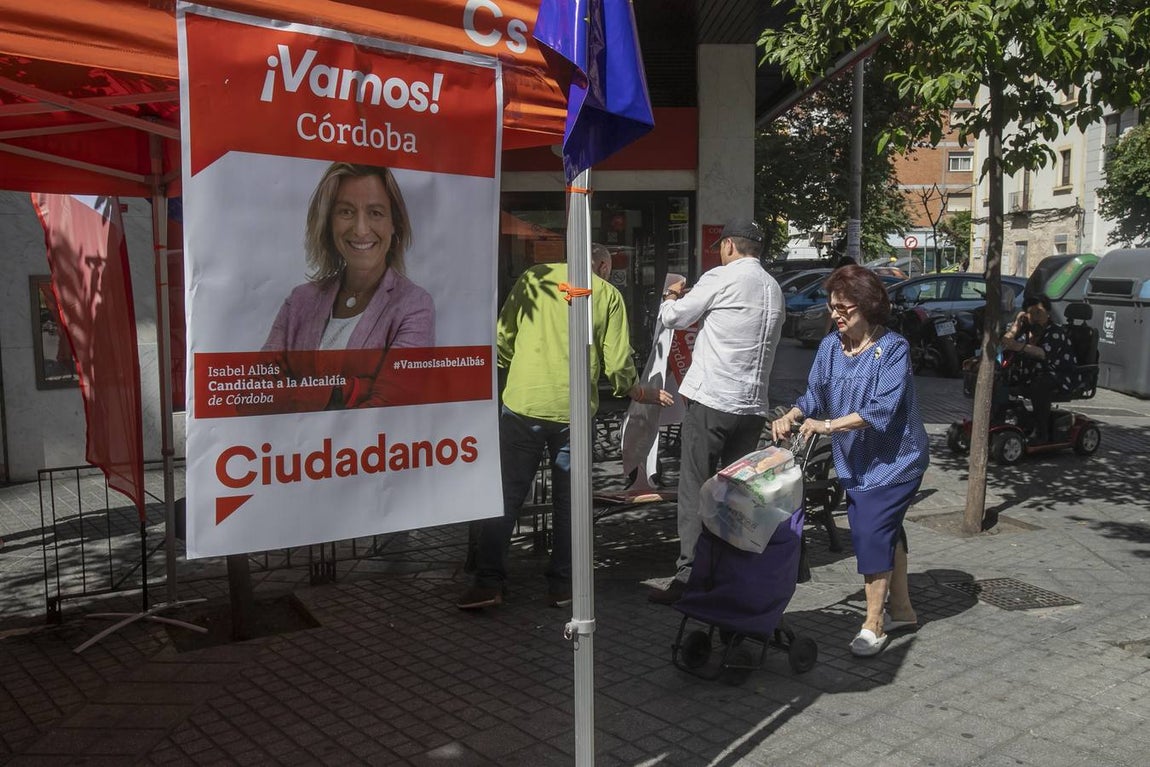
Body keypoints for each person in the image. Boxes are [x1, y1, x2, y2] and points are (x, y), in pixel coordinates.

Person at [457, 245, 671, 610]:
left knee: (507, 497)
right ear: (602, 265)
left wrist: (513, 367)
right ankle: (563, 586)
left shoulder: (533, 278)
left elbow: (503, 338)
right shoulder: (607, 294)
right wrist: (636, 390)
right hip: (572, 412)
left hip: (523, 405)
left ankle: (488, 582)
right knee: (570, 503)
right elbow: (617, 363)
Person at [770, 265, 930, 657]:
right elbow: (815, 395)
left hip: (897, 461)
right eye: (832, 306)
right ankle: (904, 610)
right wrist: (794, 413)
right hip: (855, 461)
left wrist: (825, 426)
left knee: (871, 531)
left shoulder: (892, 349)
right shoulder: (830, 347)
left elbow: (881, 411)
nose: (836, 314)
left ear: (869, 306)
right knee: (884, 529)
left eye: (845, 307)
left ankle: (874, 623)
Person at [648, 218, 784, 604]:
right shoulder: (774, 288)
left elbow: (673, 318)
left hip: (712, 402)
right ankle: (733, 574)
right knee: (737, 495)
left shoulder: (721, 278)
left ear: (728, 247)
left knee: (696, 488)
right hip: (752, 407)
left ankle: (690, 573)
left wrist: (672, 295)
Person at [262, 162, 434, 408]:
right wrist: (357, 389)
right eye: (346, 212)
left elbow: (390, 408)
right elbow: (254, 395)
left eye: (375, 212)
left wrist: (304, 393)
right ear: (328, 221)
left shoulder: (414, 306)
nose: (361, 229)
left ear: (394, 223)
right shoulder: (300, 300)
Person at [1001, 294, 1077, 443]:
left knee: (1039, 386)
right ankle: (1020, 421)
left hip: (1057, 375)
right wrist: (1016, 325)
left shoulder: (1055, 332)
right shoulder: (1027, 329)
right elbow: (1005, 342)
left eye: (1039, 312)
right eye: (1031, 313)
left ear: (1048, 313)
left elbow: (1043, 353)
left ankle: (1041, 433)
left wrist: (1019, 346)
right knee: (1002, 380)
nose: (1035, 316)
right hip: (1033, 373)